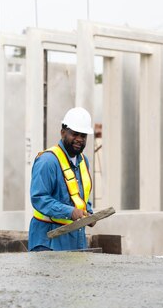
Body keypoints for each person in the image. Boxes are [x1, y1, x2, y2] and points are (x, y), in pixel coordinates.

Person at [28, 107, 95, 251]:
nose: (79, 139)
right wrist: (69, 211)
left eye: (83, 136)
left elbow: (81, 197)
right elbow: (39, 198)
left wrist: (88, 213)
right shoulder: (48, 161)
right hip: (48, 242)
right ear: (63, 132)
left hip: (75, 240)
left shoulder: (83, 161)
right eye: (74, 134)